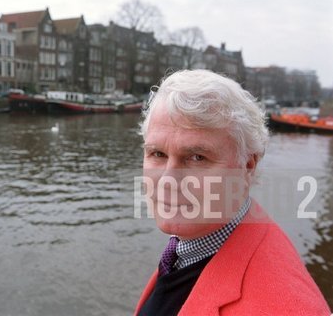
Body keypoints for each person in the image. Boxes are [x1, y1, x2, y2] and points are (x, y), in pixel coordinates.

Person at [134, 70, 330, 315]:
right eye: (158, 154)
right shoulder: (194, 245)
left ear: (248, 166)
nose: (167, 181)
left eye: (197, 158)